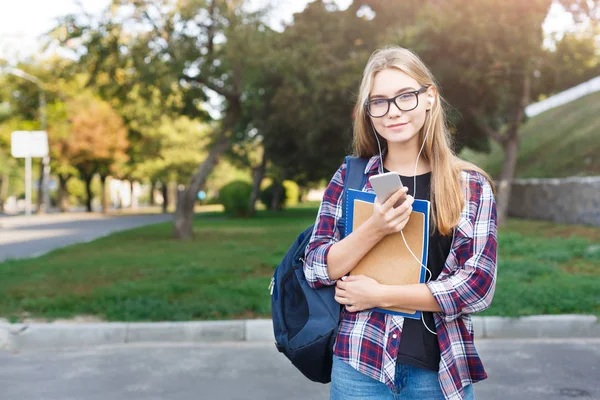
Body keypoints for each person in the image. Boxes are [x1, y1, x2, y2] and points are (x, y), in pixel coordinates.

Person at [303, 46, 497, 400]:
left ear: (429, 98)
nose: (392, 111)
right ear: (368, 111)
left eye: (405, 96)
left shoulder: (470, 186)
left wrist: (381, 295)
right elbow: (316, 267)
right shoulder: (353, 177)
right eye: (379, 101)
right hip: (360, 366)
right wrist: (374, 228)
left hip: (439, 373)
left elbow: (477, 286)